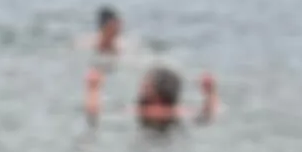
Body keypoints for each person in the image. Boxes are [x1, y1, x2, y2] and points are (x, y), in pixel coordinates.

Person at [85, 64, 217, 130]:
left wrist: (93, 88)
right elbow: (208, 115)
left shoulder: (142, 111)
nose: (141, 87)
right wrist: (210, 93)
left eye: (146, 84)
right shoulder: (179, 111)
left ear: (157, 93)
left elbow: (94, 114)